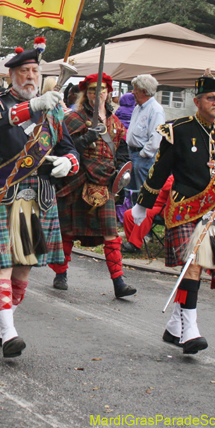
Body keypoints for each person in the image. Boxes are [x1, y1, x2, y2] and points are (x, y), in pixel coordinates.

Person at [0, 46, 79, 358]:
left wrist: (69, 163)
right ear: (12, 75)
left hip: (38, 195)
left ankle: (0, 325)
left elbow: (69, 147)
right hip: (4, 191)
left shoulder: (53, 111)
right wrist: (33, 105)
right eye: (24, 71)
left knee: (23, 268)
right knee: (4, 264)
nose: (31, 76)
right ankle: (9, 333)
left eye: (35, 71)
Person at [131, 75, 215, 355]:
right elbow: (159, 170)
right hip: (184, 207)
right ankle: (190, 330)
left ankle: (174, 325)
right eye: (211, 98)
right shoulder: (178, 130)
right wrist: (142, 205)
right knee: (192, 264)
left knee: (201, 266)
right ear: (197, 102)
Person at [49, 73, 137, 297]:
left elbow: (122, 152)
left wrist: (119, 170)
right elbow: (65, 148)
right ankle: (61, 274)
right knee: (67, 232)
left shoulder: (115, 123)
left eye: (102, 90)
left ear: (108, 93)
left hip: (104, 182)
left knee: (110, 233)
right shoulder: (74, 118)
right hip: (78, 180)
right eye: (91, 90)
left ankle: (118, 282)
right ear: (85, 93)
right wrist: (87, 138)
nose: (96, 94)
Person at [125, 74, 165, 191]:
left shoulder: (155, 110)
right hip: (133, 155)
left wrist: (143, 155)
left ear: (143, 91)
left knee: (142, 192)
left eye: (135, 89)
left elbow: (156, 138)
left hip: (143, 159)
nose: (133, 92)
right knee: (131, 191)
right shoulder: (138, 108)